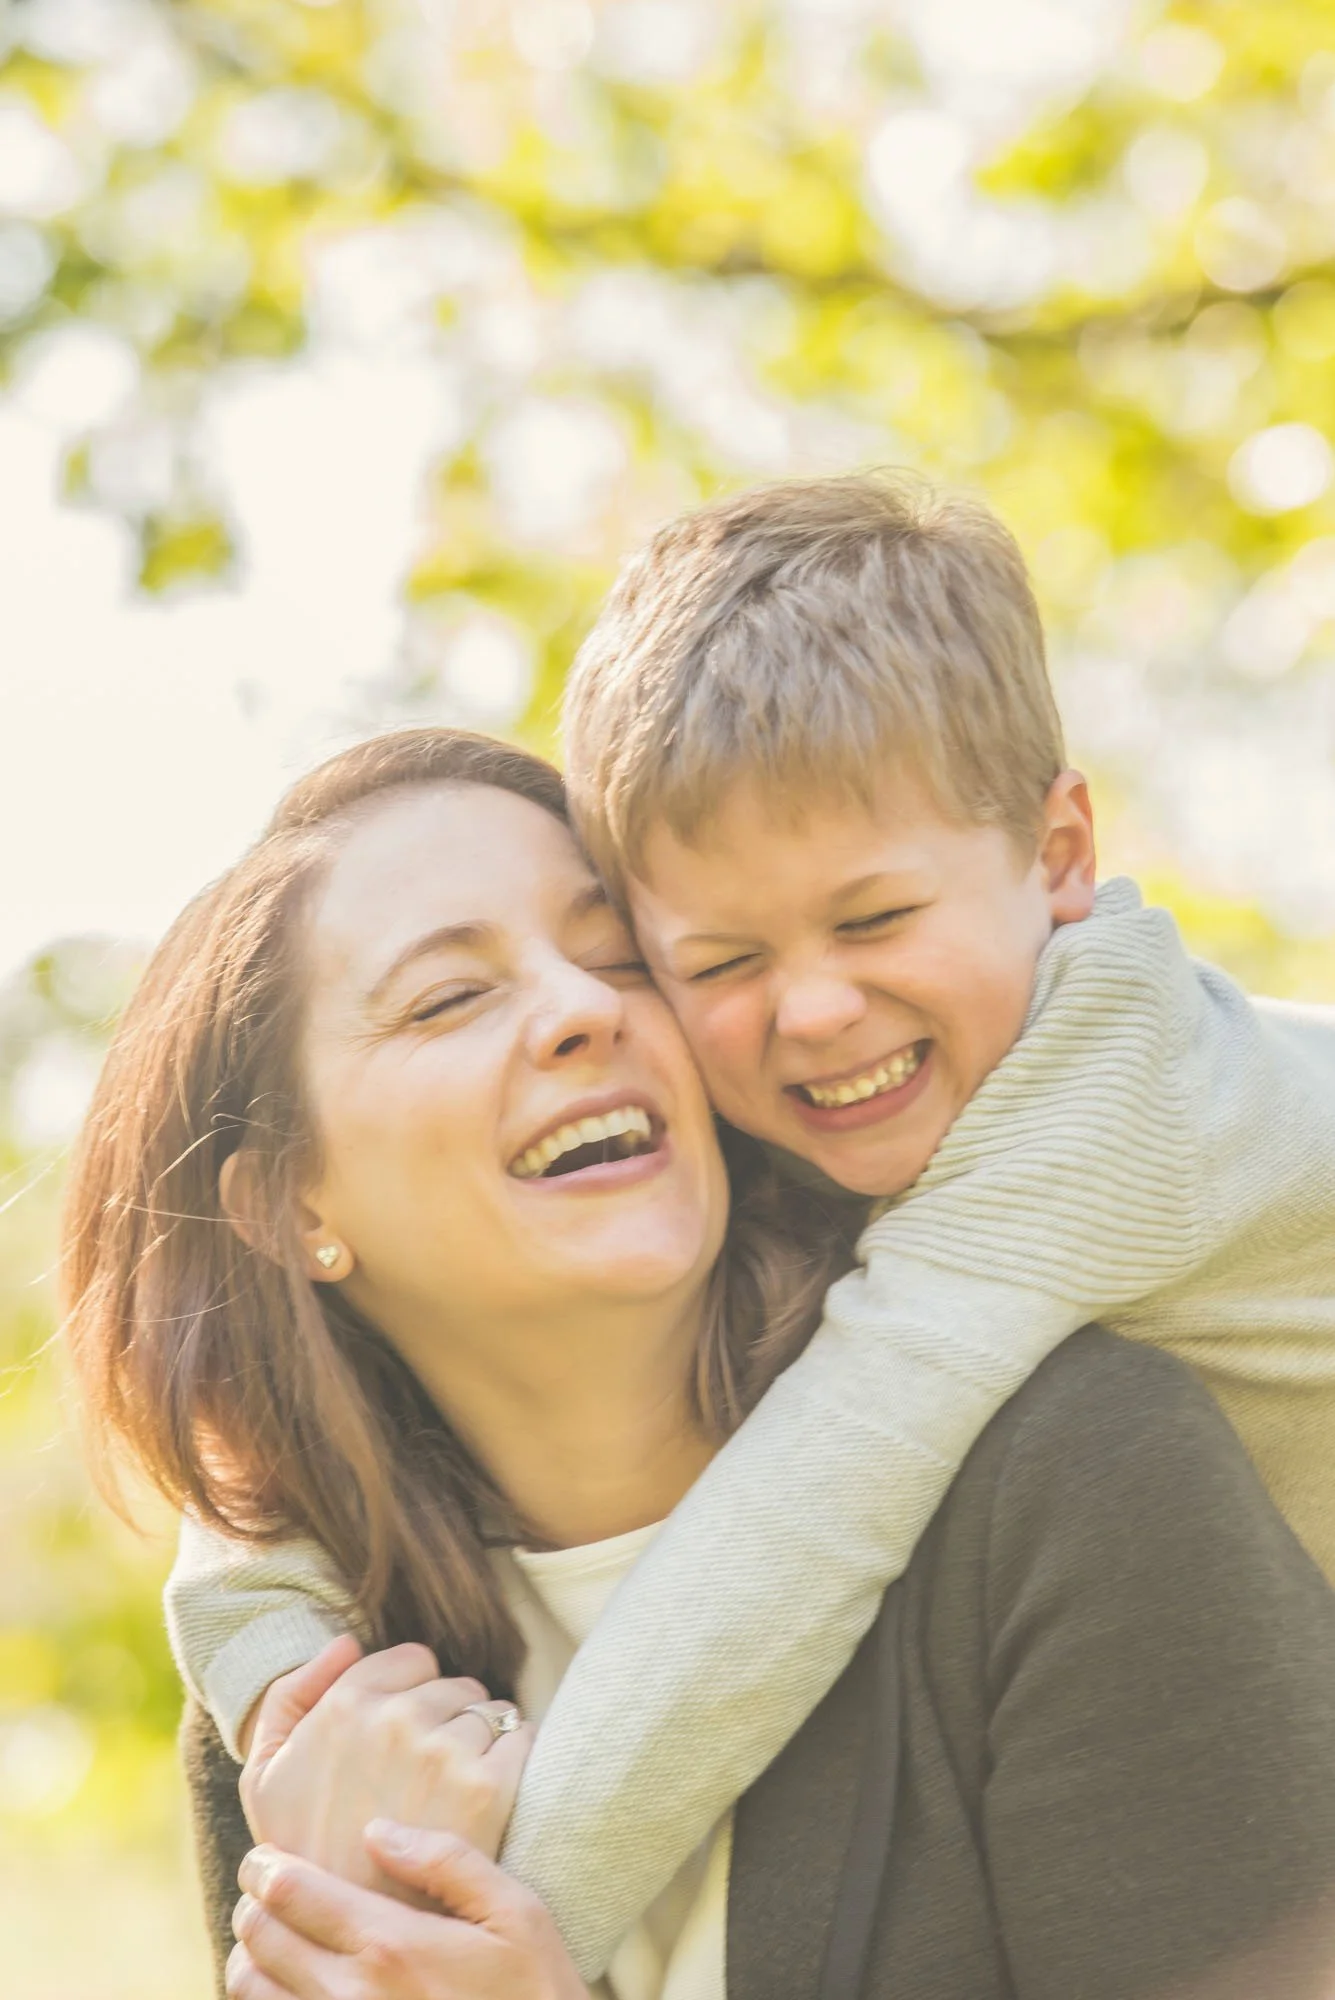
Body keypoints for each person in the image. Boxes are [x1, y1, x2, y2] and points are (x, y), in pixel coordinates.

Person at [164, 476, 1335, 1981]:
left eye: (868, 921)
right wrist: (274, 1689)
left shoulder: (1082, 1157)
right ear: (288, 1208)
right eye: (707, 957)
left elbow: (805, 1519)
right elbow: (249, 1469)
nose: (811, 1008)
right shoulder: (336, 1729)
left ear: (1058, 864)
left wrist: (458, 1917)